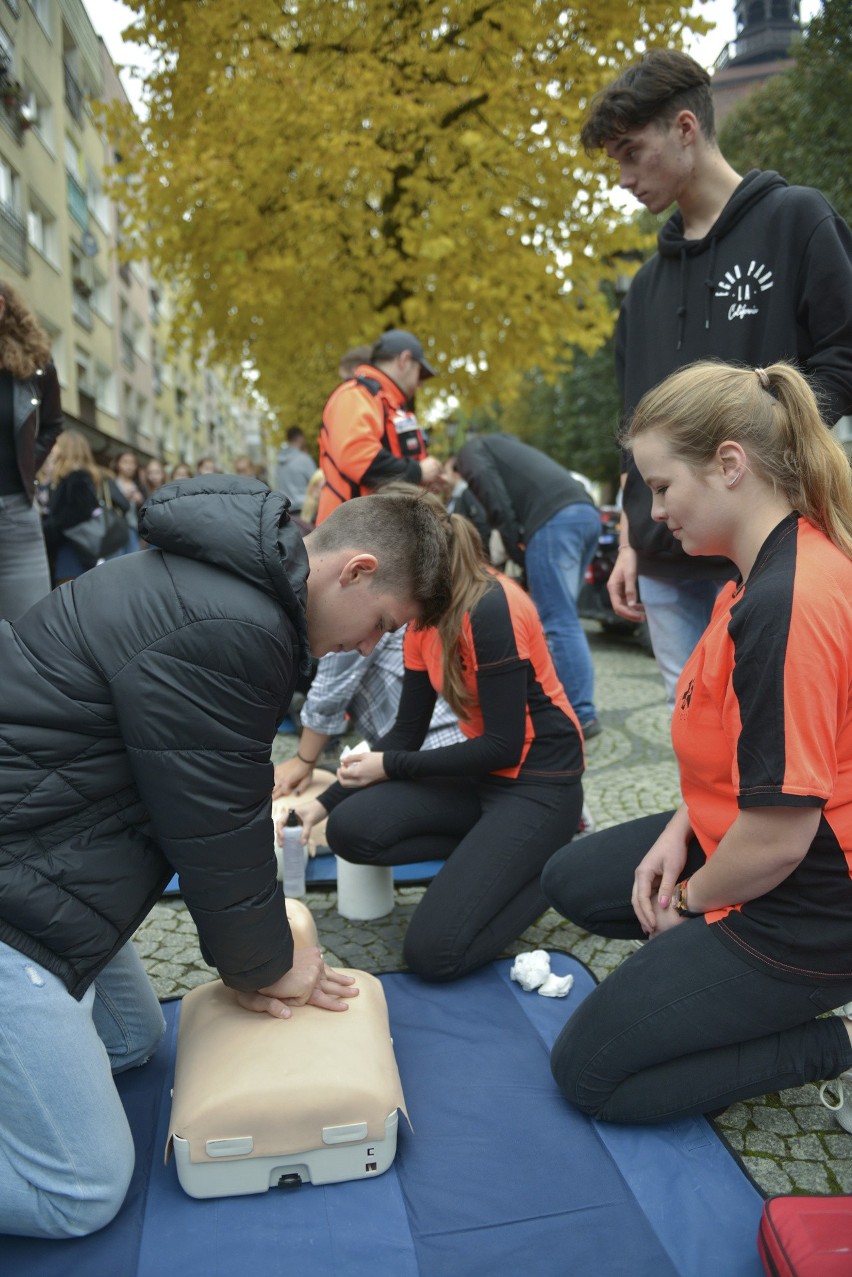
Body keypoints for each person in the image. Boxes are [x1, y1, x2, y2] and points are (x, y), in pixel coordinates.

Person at [0, 478, 451, 1239]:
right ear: (357, 570)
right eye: (381, 623)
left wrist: (267, 949)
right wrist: (268, 965)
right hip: (17, 888)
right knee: (80, 1189)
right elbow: (216, 830)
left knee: (132, 1041)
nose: (370, 645)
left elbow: (212, 805)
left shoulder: (233, 590)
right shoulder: (236, 621)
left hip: (44, 843)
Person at [542, 359, 852, 1127]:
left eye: (661, 486)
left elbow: (781, 837)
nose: (652, 514)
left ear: (730, 465)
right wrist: (682, 831)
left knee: (589, 1074)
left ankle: (835, 1039)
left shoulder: (790, 599)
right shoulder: (751, 576)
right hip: (748, 840)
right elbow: (732, 746)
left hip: (810, 905)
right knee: (576, 880)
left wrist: (690, 901)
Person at [581, 49, 852, 710]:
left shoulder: (796, 220)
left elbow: (844, 357)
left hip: (775, 553)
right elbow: (631, 434)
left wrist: (762, 435)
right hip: (669, 565)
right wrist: (629, 539)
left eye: (629, 152)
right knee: (700, 748)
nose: (622, 177)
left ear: (684, 128)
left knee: (785, 743)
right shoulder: (642, 289)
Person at [294, 507, 585, 983]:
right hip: (482, 779)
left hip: (538, 781)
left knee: (436, 956)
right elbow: (405, 734)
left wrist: (389, 765)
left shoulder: (491, 607)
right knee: (349, 831)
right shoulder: (422, 622)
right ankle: (498, 853)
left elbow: (503, 747)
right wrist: (321, 806)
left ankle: (552, 863)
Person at [456, 432, 602, 736]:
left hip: (554, 519)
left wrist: (515, 548)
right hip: (584, 512)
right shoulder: (504, 446)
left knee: (558, 620)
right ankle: (575, 706)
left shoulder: (470, 451)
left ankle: (580, 714)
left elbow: (495, 500)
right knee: (565, 619)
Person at [273, 628, 463, 799]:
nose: (365, 647)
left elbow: (330, 691)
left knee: (346, 820)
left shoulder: (360, 619)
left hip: (435, 750)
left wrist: (304, 761)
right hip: (410, 751)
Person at [317, 329, 443, 524]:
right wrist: (418, 471)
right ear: (404, 360)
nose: (420, 384)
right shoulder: (357, 395)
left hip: (374, 529)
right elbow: (359, 458)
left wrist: (426, 479)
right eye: (420, 373)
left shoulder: (387, 403)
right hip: (351, 531)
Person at [0, 280, 64, 620]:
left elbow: (53, 424)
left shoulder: (34, 364)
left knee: (28, 628)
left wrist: (28, 466)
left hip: (16, 515)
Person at [42, 430, 129, 584]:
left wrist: (48, 529)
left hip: (73, 547)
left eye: (56, 444)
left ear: (67, 448)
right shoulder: (80, 474)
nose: (53, 449)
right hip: (77, 544)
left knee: (69, 595)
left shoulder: (76, 476)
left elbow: (80, 511)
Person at [441, 454, 491, 556]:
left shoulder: (468, 494)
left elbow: (481, 525)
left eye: (445, 472)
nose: (442, 478)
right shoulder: (455, 496)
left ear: (457, 473)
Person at [276, 426, 317, 514]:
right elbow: (317, 484)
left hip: (286, 513)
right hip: (305, 512)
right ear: (300, 438)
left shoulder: (279, 462)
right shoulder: (304, 459)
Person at [113, 448, 146, 552]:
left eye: (132, 463)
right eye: (125, 462)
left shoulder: (139, 486)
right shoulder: (112, 484)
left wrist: (140, 501)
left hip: (133, 530)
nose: (129, 466)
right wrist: (122, 499)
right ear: (117, 464)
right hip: (115, 530)